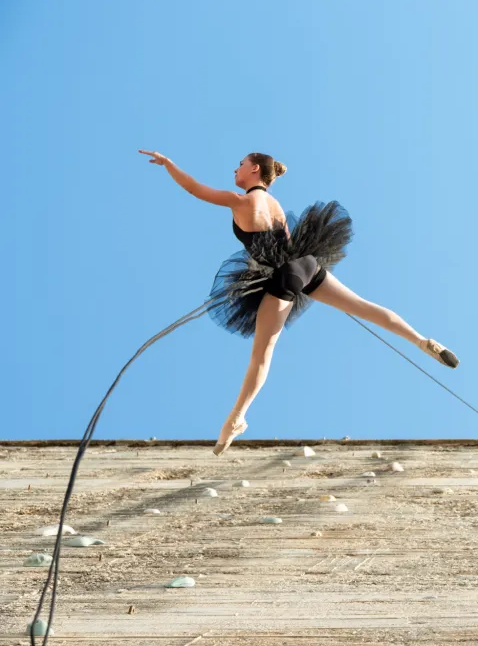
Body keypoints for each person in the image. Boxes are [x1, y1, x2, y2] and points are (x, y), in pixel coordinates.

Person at [139, 150, 459, 455]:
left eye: (240, 163)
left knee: (262, 354)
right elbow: (285, 247)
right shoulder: (276, 206)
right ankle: (422, 340)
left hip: (285, 277)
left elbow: (195, 190)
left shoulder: (240, 200)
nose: (235, 169)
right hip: (307, 265)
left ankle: (237, 416)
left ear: (254, 169)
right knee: (362, 306)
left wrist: (168, 164)